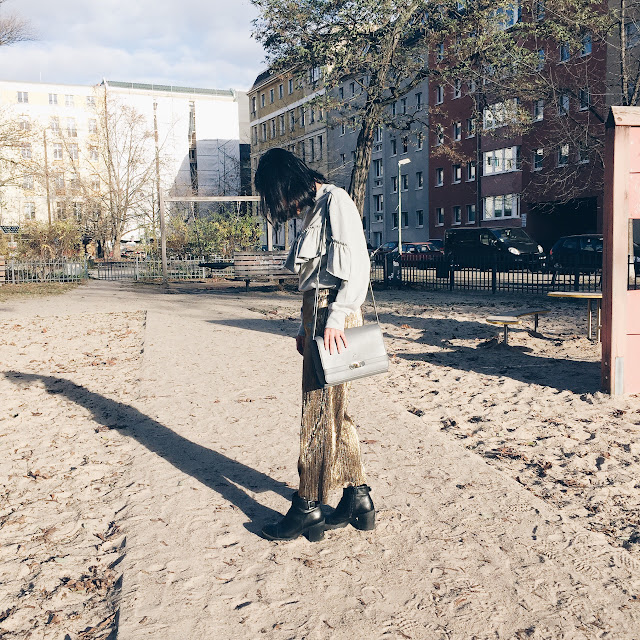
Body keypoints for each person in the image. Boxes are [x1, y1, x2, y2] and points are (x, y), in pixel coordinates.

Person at [254, 148, 375, 542]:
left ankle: (307, 505)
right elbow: (315, 279)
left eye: (276, 197)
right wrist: (305, 327)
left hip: (334, 317)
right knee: (334, 411)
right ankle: (357, 497)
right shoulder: (314, 209)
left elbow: (356, 267)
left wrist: (335, 319)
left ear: (287, 183)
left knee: (317, 412)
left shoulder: (336, 201)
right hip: (319, 316)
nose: (281, 208)